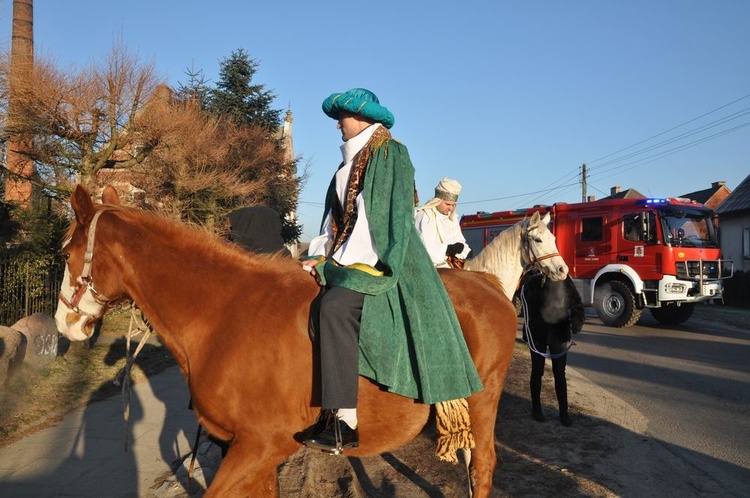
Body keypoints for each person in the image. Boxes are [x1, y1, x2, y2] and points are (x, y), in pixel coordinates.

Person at [300, 88, 482, 453]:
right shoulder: (346, 162)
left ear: (363, 116)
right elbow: (335, 218)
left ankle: (343, 420)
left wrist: (337, 262)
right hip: (346, 252)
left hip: (380, 256)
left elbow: (381, 220)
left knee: (335, 308)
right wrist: (318, 253)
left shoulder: (390, 154)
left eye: (343, 116)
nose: (337, 124)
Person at [519, 268, 584, 426]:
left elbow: (576, 302)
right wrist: (527, 280)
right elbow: (520, 299)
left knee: (559, 372)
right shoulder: (532, 278)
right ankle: (536, 407)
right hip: (537, 331)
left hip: (558, 331)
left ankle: (563, 412)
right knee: (537, 371)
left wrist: (577, 321)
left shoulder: (562, 277)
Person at [414, 178, 472, 268]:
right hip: (430, 267)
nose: (450, 208)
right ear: (438, 201)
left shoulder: (452, 218)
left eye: (453, 205)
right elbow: (425, 246)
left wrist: (465, 250)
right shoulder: (425, 215)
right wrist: (447, 249)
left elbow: (460, 241)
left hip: (452, 264)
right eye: (448, 204)